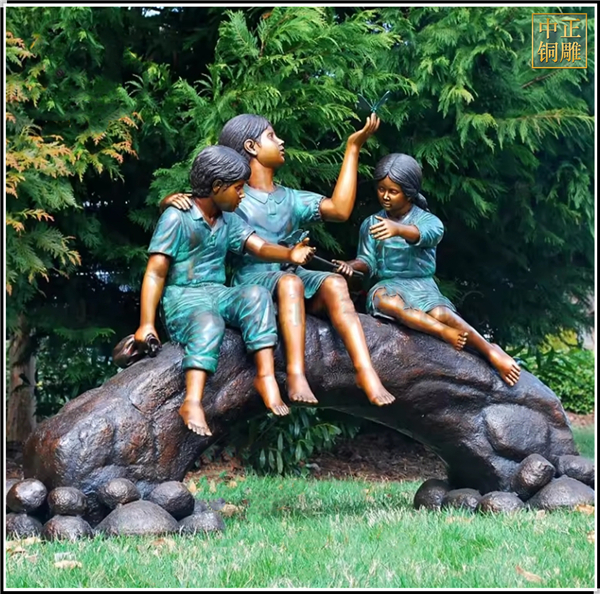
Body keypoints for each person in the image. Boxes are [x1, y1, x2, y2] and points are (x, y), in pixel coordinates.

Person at [163, 113, 395, 407]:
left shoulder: (290, 198)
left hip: (292, 276)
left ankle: (365, 371)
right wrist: (169, 200)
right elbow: (200, 205)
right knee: (289, 282)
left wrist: (353, 148)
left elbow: (339, 210)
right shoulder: (233, 195)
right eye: (272, 136)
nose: (281, 141)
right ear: (251, 146)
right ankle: (295, 374)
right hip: (255, 280)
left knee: (335, 283)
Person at [135, 145, 315, 436]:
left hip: (216, 291)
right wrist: (146, 324)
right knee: (209, 322)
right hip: (183, 297)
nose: (242, 195)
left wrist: (289, 254)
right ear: (217, 186)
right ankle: (192, 401)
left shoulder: (228, 219)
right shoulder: (177, 217)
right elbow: (155, 273)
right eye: (238, 188)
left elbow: (258, 247)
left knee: (256, 294)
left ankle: (265, 375)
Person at [332, 153, 521, 387]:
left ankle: (490, 351)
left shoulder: (427, 220)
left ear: (409, 192)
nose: (385, 196)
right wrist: (350, 266)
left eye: (393, 191)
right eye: (381, 189)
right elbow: (367, 261)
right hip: (388, 284)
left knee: (442, 313)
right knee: (388, 302)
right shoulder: (370, 224)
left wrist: (398, 230)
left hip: (421, 284)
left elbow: (429, 235)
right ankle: (444, 333)